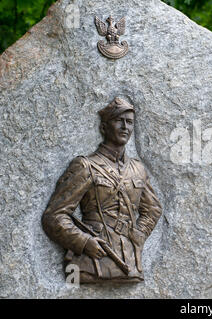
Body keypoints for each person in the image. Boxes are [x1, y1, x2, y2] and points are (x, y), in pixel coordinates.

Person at [42, 97, 162, 283]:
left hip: (129, 263)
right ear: (104, 127)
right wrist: (84, 242)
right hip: (92, 262)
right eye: (118, 120)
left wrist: (139, 235)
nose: (125, 127)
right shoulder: (85, 166)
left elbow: (153, 209)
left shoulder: (137, 169)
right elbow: (54, 217)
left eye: (129, 122)